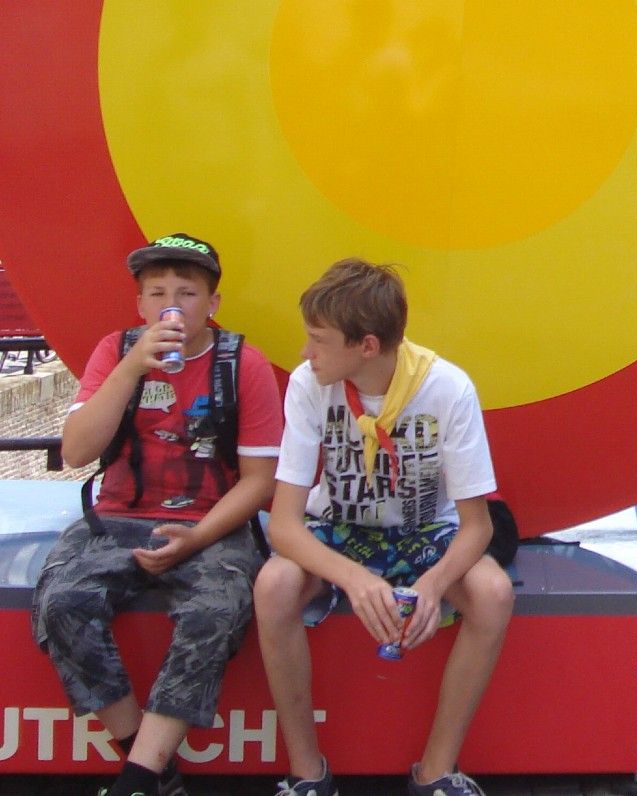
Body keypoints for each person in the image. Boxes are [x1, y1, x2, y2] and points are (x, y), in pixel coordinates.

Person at [32, 232, 283, 796]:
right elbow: (75, 453)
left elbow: (259, 483)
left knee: (218, 608)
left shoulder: (243, 362)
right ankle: (149, 765)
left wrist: (195, 541)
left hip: (210, 524)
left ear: (212, 304)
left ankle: (137, 781)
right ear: (141, 305)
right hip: (117, 517)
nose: (173, 304)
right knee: (62, 602)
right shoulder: (113, 351)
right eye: (158, 292)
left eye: (188, 292)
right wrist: (129, 371)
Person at [253, 259, 514, 796]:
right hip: (339, 530)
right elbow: (284, 525)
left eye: (318, 340)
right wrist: (353, 578)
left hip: (423, 534)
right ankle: (307, 775)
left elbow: (477, 527)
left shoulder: (446, 388)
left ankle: (436, 773)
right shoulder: (309, 385)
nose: (306, 353)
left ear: (366, 346)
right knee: (274, 584)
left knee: (493, 593)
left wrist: (432, 586)